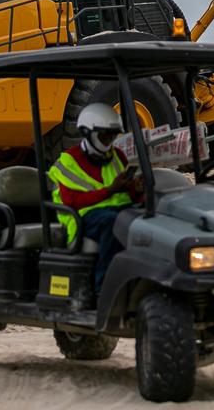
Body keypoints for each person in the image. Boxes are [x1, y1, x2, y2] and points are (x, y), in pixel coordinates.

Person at [47, 103, 143, 289]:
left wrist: (136, 189)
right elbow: (73, 202)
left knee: (147, 218)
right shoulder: (68, 161)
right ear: (87, 133)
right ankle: (105, 287)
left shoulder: (118, 156)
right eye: (104, 136)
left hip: (118, 210)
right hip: (82, 217)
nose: (108, 141)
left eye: (112, 136)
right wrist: (110, 190)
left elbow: (126, 194)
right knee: (113, 222)